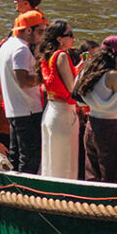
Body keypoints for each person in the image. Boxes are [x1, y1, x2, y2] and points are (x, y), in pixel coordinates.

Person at [0, 9, 47, 174]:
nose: (42, 36)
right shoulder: (21, 50)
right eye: (40, 31)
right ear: (28, 30)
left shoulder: (6, 46)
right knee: (30, 157)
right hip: (27, 110)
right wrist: (46, 76)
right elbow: (24, 81)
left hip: (15, 109)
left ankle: (12, 189)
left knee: (16, 155)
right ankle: (23, 191)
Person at [75, 37, 117, 183]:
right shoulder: (114, 76)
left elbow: (77, 95)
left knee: (92, 171)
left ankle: (92, 201)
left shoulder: (88, 71)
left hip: (91, 123)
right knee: (113, 173)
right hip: (110, 126)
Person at [37, 20, 78, 179]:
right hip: (63, 114)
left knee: (51, 159)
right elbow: (72, 89)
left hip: (51, 111)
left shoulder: (48, 56)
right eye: (70, 35)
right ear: (59, 39)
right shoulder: (61, 56)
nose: (73, 38)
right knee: (65, 162)